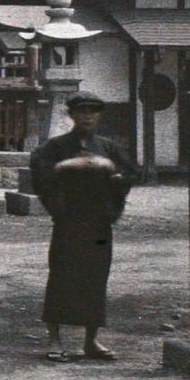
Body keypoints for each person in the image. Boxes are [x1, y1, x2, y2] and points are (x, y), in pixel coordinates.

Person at [29, 91, 137, 362]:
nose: (87, 116)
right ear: (72, 115)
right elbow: (40, 174)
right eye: (81, 111)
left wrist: (110, 167)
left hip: (99, 223)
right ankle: (55, 338)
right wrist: (68, 164)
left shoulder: (109, 147)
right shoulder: (55, 147)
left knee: (96, 277)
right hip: (69, 221)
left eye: (93, 111)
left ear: (99, 115)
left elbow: (129, 174)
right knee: (62, 276)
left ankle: (91, 340)